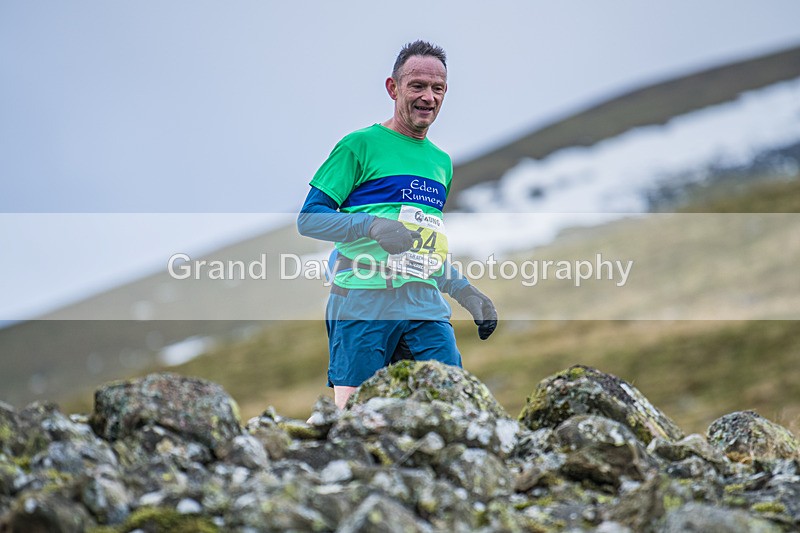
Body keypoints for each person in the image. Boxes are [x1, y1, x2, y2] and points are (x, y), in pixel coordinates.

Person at [297, 40, 497, 409]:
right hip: (362, 298)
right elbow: (310, 218)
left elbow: (423, 244)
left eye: (437, 88)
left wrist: (465, 291)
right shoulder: (359, 146)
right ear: (393, 88)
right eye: (417, 86)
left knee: (454, 405)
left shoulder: (441, 163)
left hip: (423, 304)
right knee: (354, 417)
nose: (428, 97)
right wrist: (370, 226)